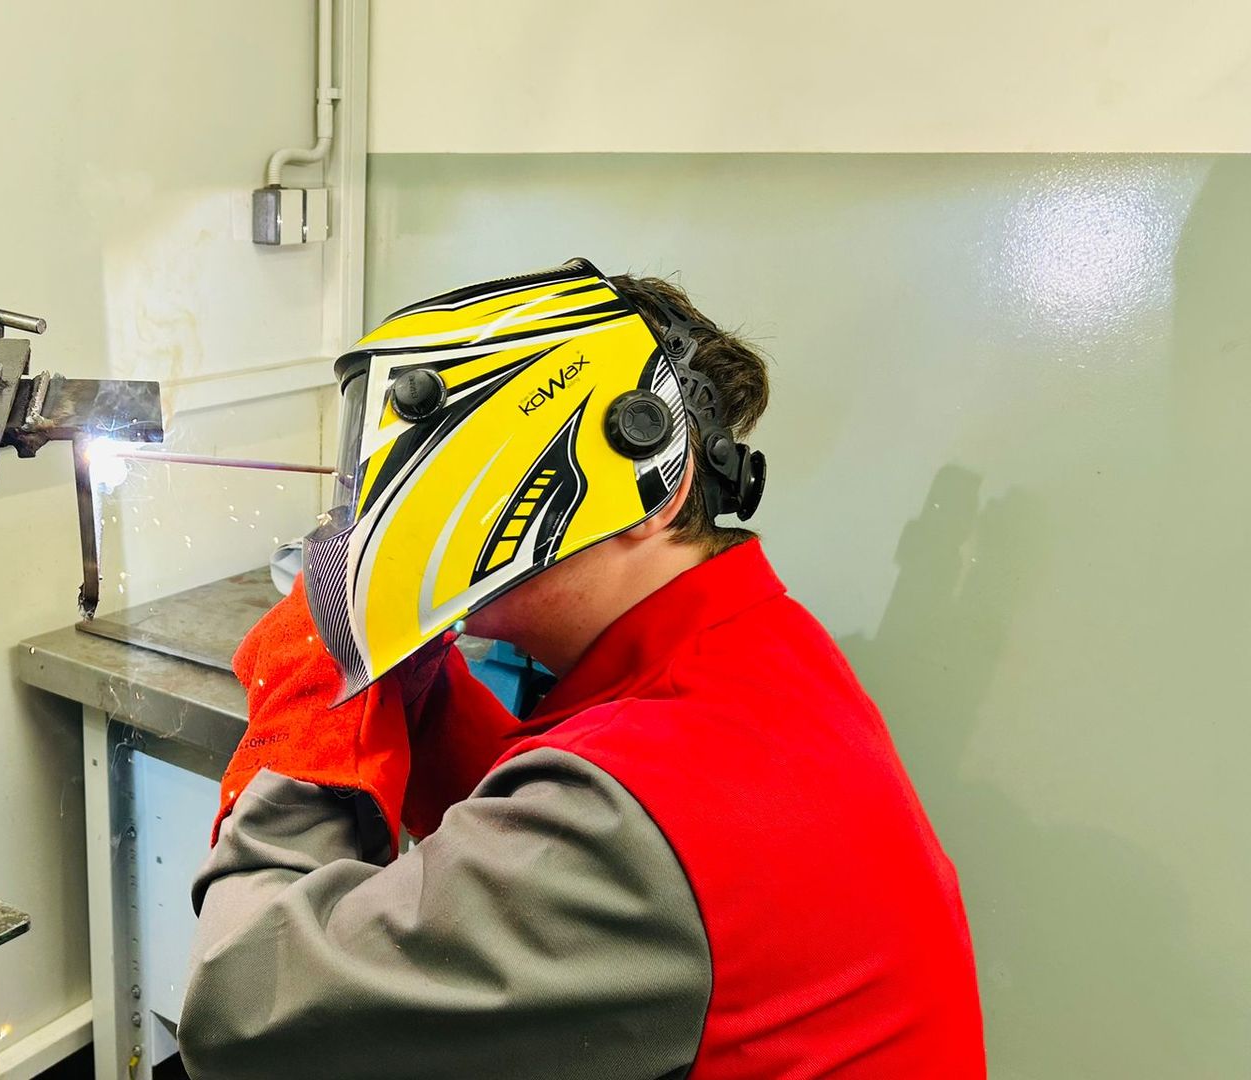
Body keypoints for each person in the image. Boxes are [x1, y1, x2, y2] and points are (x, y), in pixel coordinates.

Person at [177, 260, 985, 1078]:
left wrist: (314, 688)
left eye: (470, 462)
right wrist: (420, 696)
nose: (408, 503)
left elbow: (242, 1016)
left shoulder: (639, 811)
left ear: (651, 478)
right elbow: (540, 815)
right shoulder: (759, 647)